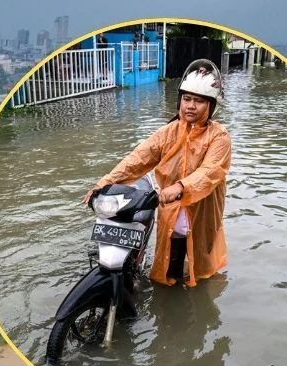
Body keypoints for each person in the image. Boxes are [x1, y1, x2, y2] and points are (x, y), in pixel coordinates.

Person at [83, 59, 231, 287]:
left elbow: (210, 171)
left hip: (202, 205)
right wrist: (103, 183)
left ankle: (195, 291)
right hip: (169, 204)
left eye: (199, 101)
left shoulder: (219, 137)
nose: (190, 105)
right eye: (187, 99)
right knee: (171, 248)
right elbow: (138, 159)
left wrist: (181, 187)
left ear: (211, 106)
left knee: (200, 254)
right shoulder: (168, 132)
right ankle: (170, 285)